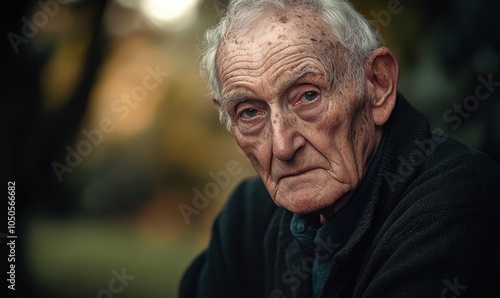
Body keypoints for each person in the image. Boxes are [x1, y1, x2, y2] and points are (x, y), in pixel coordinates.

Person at [180, 0, 500, 297]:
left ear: (378, 84)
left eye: (308, 96)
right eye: (249, 112)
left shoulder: (459, 205)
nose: (281, 146)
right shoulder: (247, 215)